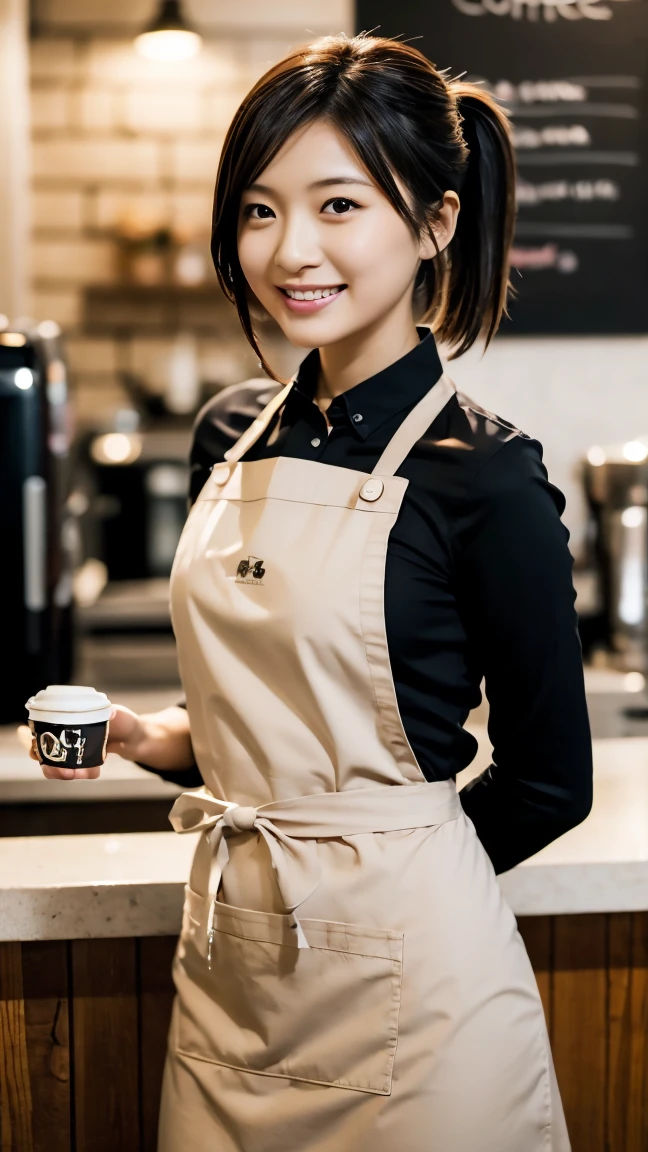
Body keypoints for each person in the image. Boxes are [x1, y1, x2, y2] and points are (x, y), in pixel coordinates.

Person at [39, 32, 593, 1152]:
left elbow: (549, 780)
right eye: (258, 209)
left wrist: (385, 880)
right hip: (231, 980)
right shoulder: (228, 438)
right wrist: (160, 737)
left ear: (437, 223)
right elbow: (285, 722)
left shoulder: (485, 474)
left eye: (339, 205)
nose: (291, 249)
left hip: (423, 1005)